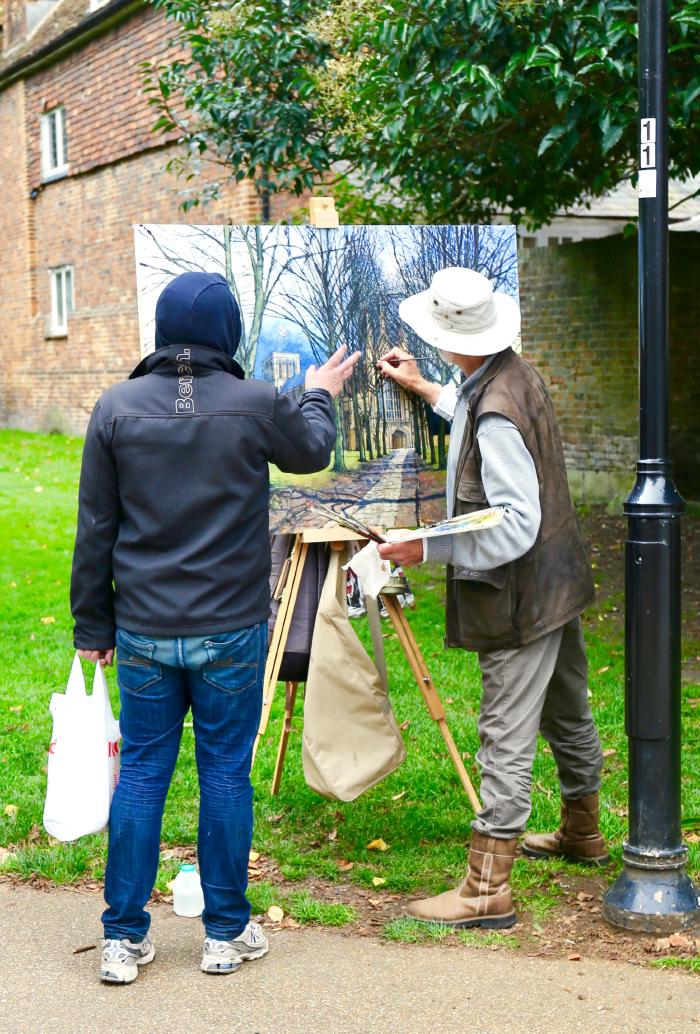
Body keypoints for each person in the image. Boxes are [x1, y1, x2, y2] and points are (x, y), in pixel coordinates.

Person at [70, 271, 359, 982]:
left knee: (142, 773)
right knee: (224, 772)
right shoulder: (256, 401)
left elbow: (95, 531)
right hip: (229, 626)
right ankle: (224, 935)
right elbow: (312, 450)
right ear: (229, 332)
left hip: (141, 626)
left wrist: (90, 627)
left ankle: (121, 939)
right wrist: (318, 389)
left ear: (163, 331)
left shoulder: (116, 407)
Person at [377, 267, 606, 930]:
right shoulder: (510, 376)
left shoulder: (498, 404)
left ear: (451, 333)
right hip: (556, 581)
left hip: (519, 595)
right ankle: (583, 832)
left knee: (506, 733)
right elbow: (478, 418)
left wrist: (428, 546)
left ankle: (486, 889)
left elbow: (512, 520)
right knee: (566, 711)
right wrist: (423, 387)